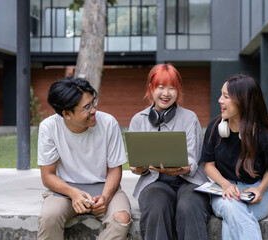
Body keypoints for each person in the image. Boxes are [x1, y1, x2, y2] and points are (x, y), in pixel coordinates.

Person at [37, 77, 132, 240]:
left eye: (93, 103)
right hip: (66, 190)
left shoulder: (109, 123)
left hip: (105, 186)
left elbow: (115, 169)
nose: (94, 110)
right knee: (49, 218)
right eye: (87, 107)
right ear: (66, 114)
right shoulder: (49, 127)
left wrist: (106, 197)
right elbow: (48, 176)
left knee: (121, 219)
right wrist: (73, 193)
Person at [129, 63, 212, 240]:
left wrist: (181, 168)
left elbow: (193, 159)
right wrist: (139, 168)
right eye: (160, 87)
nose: (166, 93)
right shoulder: (138, 120)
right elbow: (138, 162)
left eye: (172, 88)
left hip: (189, 181)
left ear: (178, 91)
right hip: (154, 182)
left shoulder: (190, 118)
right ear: (151, 89)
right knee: (156, 206)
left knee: (188, 207)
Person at [201, 74, 268, 240]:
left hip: (255, 192)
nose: (219, 100)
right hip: (223, 190)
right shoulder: (215, 127)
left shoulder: (265, 136)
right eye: (221, 94)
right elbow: (208, 164)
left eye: (226, 96)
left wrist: (260, 189)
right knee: (233, 209)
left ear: (243, 100)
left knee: (232, 221)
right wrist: (226, 185)